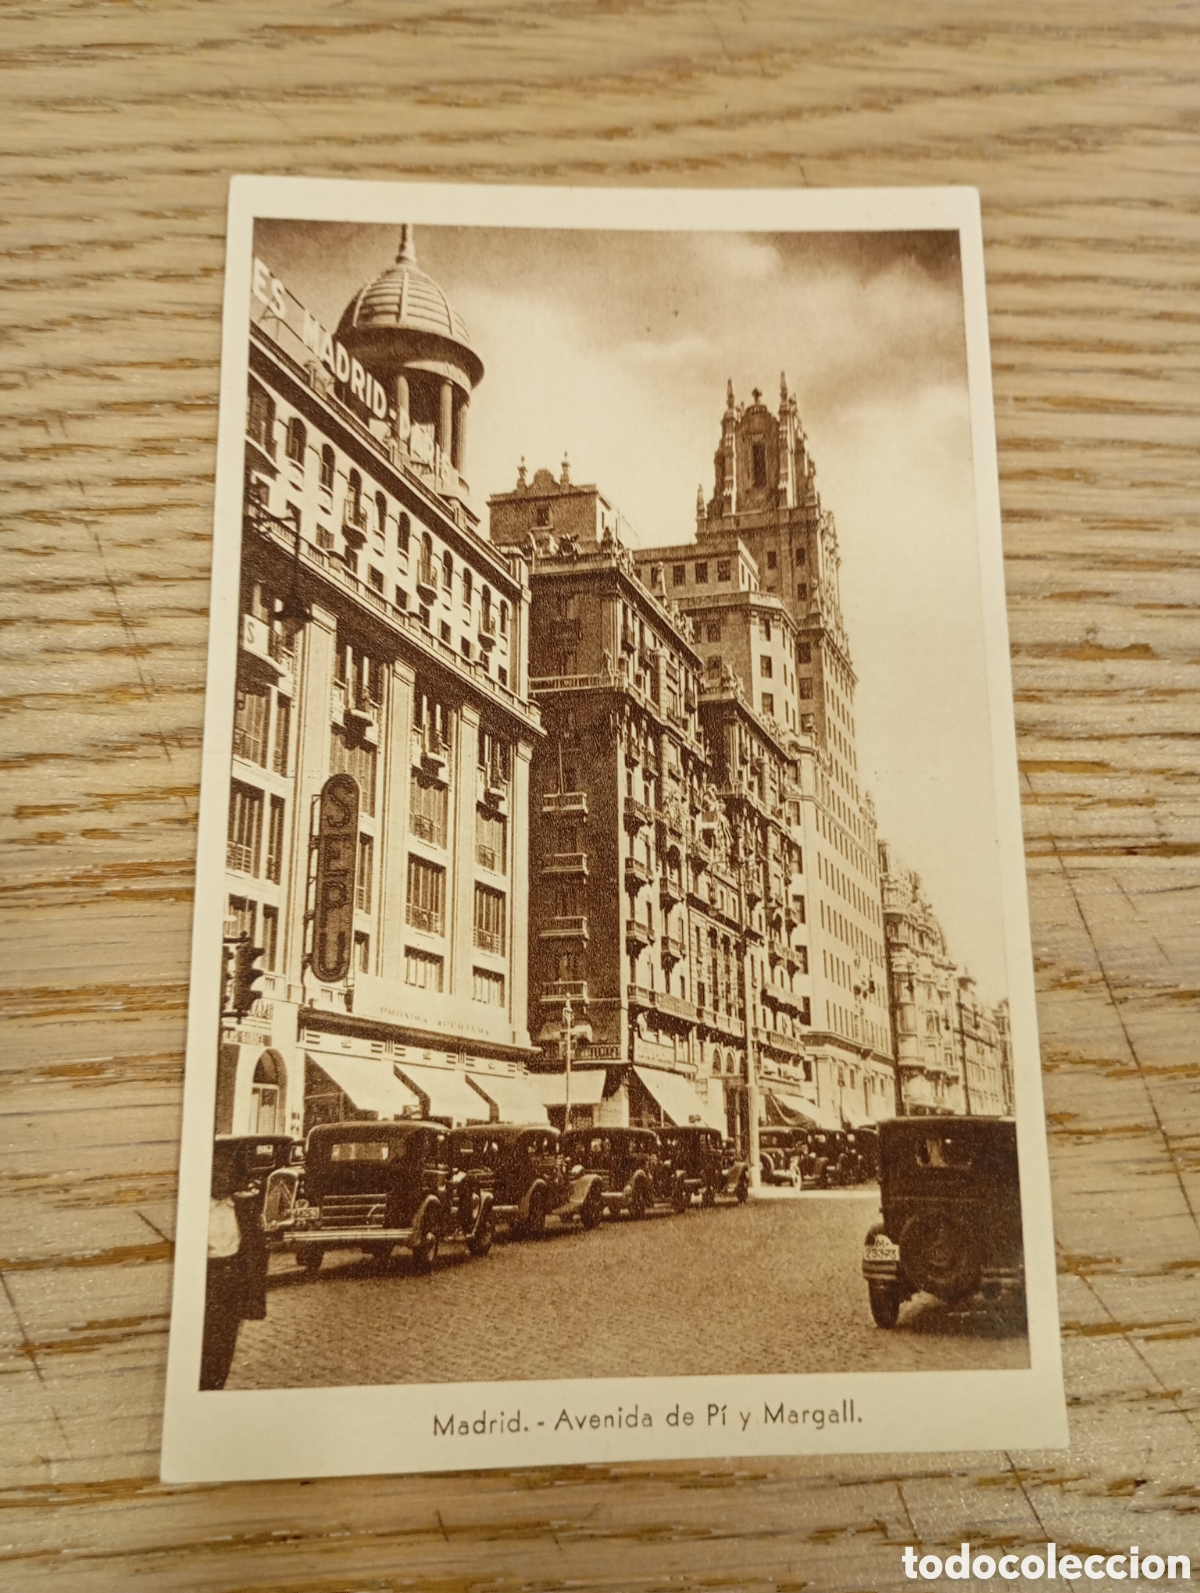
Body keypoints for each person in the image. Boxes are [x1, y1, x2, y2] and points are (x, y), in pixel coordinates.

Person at [200, 1140, 269, 1390]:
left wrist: (253, 1298)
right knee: (200, 1347)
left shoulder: (244, 1209)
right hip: (204, 1285)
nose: (221, 1179)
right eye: (215, 1172)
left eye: (227, 1173)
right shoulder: (196, 1210)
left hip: (231, 1286)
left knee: (224, 1348)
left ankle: (215, 1389)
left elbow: (257, 1253)